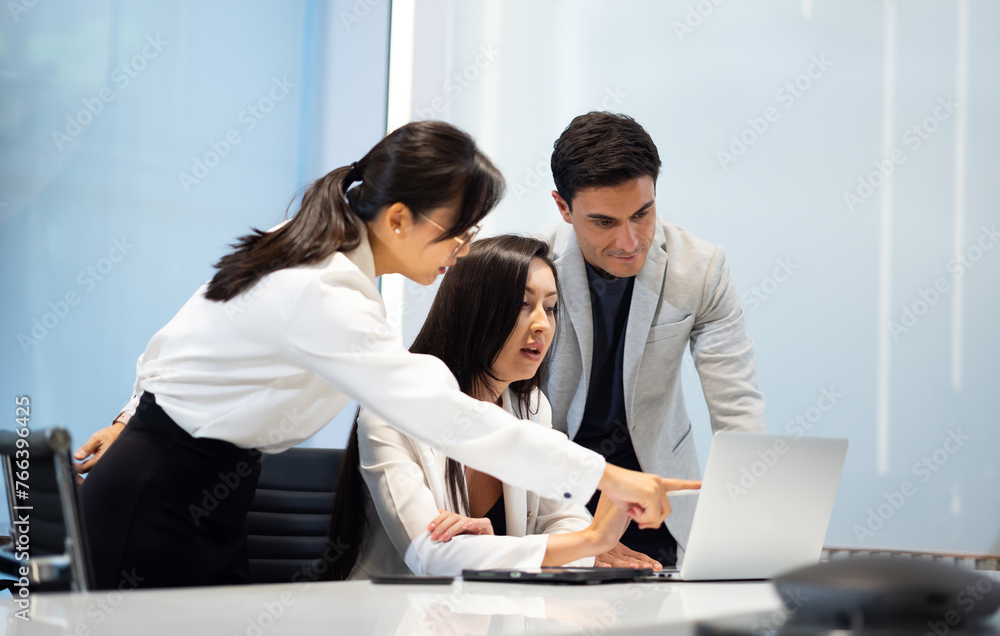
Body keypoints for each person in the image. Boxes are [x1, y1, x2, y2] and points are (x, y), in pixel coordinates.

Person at [75, 121, 678, 590]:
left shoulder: (315, 261)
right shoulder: (321, 286)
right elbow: (449, 417)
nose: (462, 252)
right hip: (161, 497)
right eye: (458, 232)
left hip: (214, 487)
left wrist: (132, 418)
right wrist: (608, 476)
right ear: (397, 219)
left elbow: (179, 352)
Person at [323, 236, 699, 579]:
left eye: (550, 308)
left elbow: (566, 519)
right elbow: (431, 557)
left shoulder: (531, 407)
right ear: (473, 312)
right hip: (393, 619)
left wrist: (493, 546)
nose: (542, 325)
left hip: (487, 615)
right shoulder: (390, 413)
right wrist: (592, 541)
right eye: (523, 305)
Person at [537, 112, 767, 569]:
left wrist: (750, 530)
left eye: (642, 214)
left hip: (654, 503)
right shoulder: (531, 266)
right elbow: (501, 406)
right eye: (603, 222)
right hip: (548, 499)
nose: (630, 240)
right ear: (563, 208)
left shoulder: (701, 268)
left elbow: (737, 408)